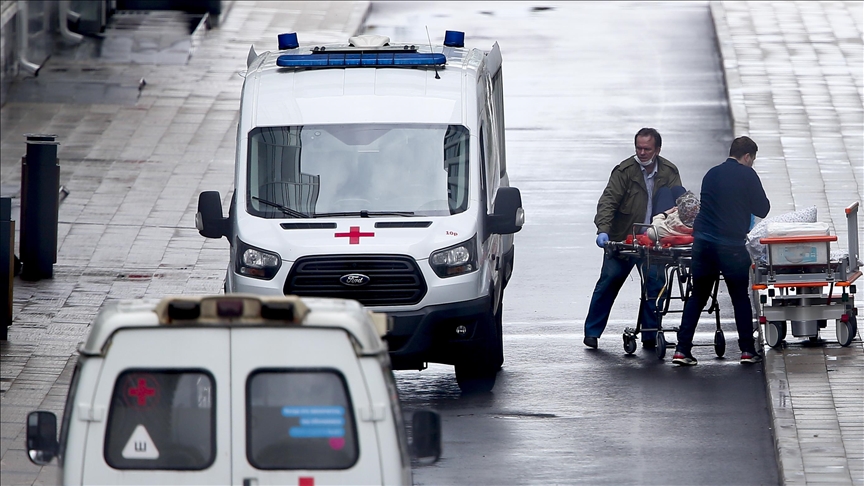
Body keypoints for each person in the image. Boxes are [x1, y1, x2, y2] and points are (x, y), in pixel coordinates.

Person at [672, 136, 770, 366]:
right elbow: (763, 209)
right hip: (731, 246)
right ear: (747, 157)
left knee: (698, 295)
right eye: (752, 160)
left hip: (703, 243)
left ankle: (681, 350)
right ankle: (746, 350)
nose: (751, 164)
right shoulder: (747, 174)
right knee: (739, 297)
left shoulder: (711, 174)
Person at [584, 128, 682, 349]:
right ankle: (592, 332)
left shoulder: (668, 171)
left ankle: (650, 333)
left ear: (657, 149)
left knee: (655, 285)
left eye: (647, 148)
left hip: (655, 240)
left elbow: (678, 203)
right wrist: (603, 230)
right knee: (609, 281)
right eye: (639, 148)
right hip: (624, 239)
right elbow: (608, 201)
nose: (642, 152)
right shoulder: (625, 171)